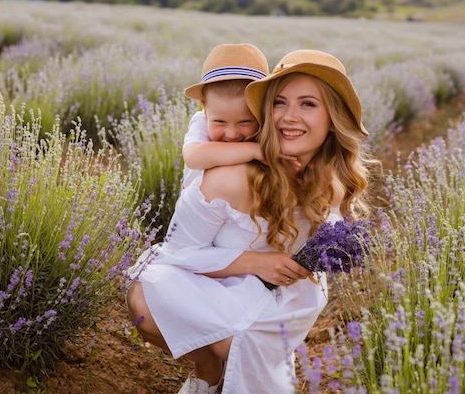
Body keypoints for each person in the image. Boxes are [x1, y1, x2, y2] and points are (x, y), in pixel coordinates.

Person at [126, 49, 374, 394]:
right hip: (216, 286)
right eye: (280, 103)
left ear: (333, 117)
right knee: (145, 299)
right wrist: (256, 262)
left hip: (282, 299)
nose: (289, 117)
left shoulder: (333, 183)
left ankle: (254, 357)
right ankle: (209, 369)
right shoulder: (229, 178)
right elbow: (174, 254)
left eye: (307, 104)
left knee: (248, 345)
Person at [180, 42, 268, 190]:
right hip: (202, 208)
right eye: (220, 122)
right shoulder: (200, 121)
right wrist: (255, 151)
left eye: (245, 122)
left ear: (262, 111)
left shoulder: (267, 125)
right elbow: (193, 158)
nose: (232, 134)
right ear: (205, 109)